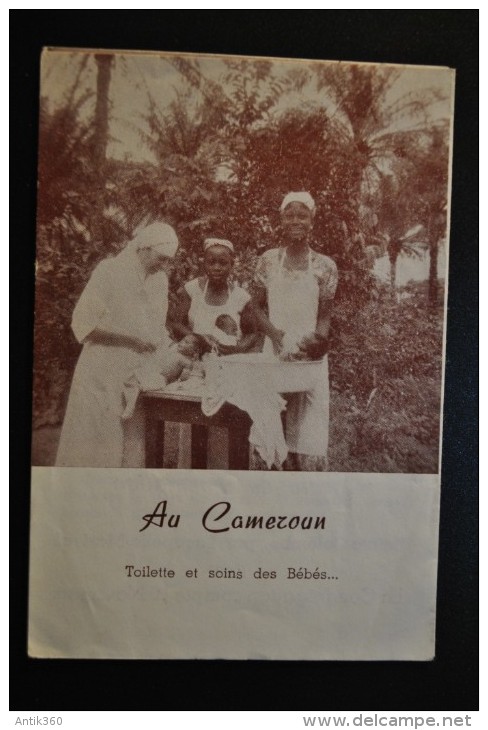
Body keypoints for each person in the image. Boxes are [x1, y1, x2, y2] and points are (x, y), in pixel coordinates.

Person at [56, 221, 179, 467]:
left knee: (130, 441)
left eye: (168, 260)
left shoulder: (159, 281)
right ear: (145, 247)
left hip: (135, 373)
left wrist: (170, 348)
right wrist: (132, 340)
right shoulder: (109, 271)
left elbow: (156, 329)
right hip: (101, 369)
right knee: (98, 440)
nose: (164, 265)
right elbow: (84, 325)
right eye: (161, 258)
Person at [252, 192, 338, 470]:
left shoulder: (325, 266)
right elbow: (254, 308)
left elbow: (324, 316)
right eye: (289, 215)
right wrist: (275, 336)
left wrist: (314, 344)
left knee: (307, 429)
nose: (295, 221)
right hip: (274, 352)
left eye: (302, 215)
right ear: (281, 220)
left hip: (308, 356)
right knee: (270, 425)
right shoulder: (267, 261)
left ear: (312, 221)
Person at [172, 238, 258, 354]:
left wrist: (238, 348)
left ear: (231, 264)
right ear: (204, 264)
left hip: (228, 360)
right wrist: (200, 339)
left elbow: (251, 334)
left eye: (223, 263)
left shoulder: (241, 297)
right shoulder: (192, 289)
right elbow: (176, 324)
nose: (217, 268)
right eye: (211, 262)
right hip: (194, 356)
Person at [121, 333, 207, 419]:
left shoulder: (187, 361)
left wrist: (179, 379)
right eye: (182, 340)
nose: (181, 343)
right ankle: (131, 404)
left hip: (161, 379)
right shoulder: (175, 353)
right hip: (155, 374)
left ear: (195, 350)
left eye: (186, 342)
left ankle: (130, 408)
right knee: (130, 378)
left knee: (137, 385)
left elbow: (184, 378)